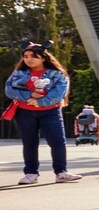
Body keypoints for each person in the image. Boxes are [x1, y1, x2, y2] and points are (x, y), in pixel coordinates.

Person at [4, 42, 81, 184]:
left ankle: (61, 172)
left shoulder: (58, 74)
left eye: (33, 56)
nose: (29, 59)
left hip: (50, 112)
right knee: (30, 143)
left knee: (57, 141)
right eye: (26, 56)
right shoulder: (18, 73)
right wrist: (28, 96)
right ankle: (31, 174)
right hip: (24, 112)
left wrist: (40, 102)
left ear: (44, 57)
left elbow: (59, 93)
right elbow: (8, 90)